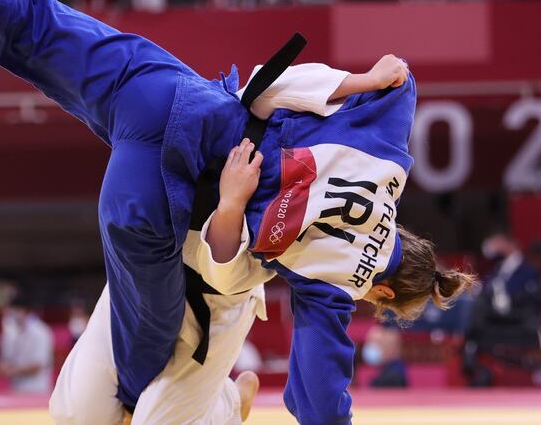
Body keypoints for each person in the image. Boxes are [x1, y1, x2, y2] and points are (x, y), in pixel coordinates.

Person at [0, 0, 475, 422]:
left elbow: (400, 79)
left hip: (182, 101)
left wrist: (369, 78)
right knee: (137, 381)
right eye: (382, 305)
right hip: (164, 200)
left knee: (32, 20)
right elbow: (317, 396)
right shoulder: (335, 283)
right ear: (387, 290)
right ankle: (202, 410)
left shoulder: (389, 161)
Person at [51, 64, 363, 424]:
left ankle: (225, 405)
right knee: (74, 414)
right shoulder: (218, 115)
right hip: (149, 270)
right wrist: (365, 80)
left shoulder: (316, 184)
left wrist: (232, 204)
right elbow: (275, 81)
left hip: (217, 300)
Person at [463, 230, 541, 386]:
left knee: (478, 309)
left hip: (517, 317)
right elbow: (487, 289)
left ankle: (469, 346)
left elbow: (530, 297)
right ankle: (472, 355)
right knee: (473, 303)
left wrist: (506, 299)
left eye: (497, 242)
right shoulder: (497, 268)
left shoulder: (528, 270)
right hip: (495, 316)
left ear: (510, 244)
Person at [0, 294, 54, 393]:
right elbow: (9, 359)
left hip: (36, 389)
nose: (11, 314)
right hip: (17, 388)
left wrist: (11, 371)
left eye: (14, 310)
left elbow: (37, 365)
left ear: (24, 310)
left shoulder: (40, 332)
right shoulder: (15, 331)